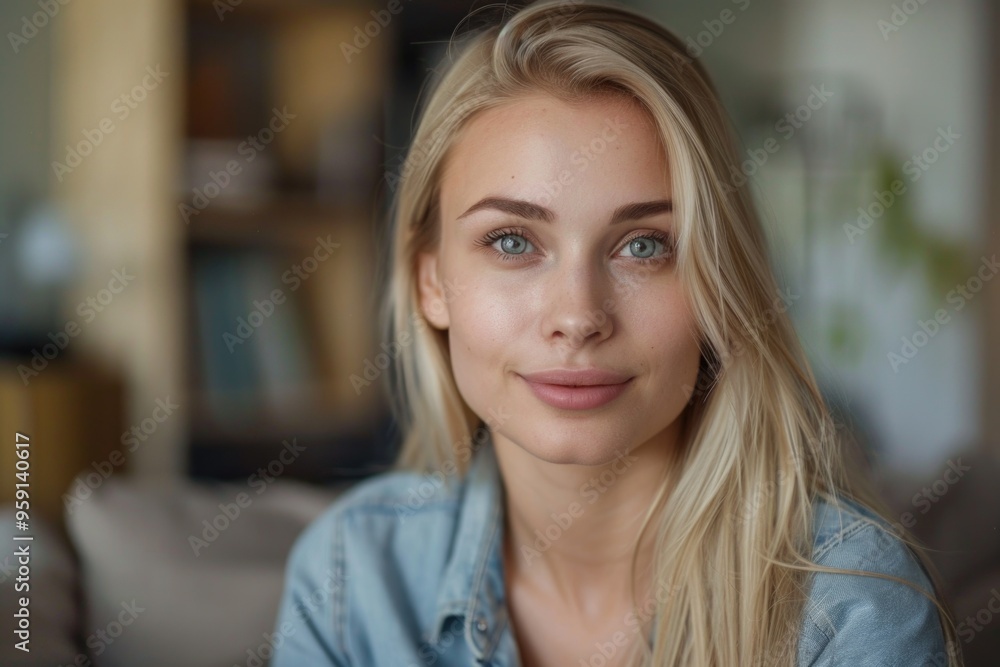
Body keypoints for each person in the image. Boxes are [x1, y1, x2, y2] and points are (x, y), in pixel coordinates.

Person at [270, 1, 964, 665]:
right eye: (512, 241)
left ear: (721, 284)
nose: (577, 315)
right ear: (431, 282)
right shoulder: (349, 580)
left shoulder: (849, 604)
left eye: (644, 246)